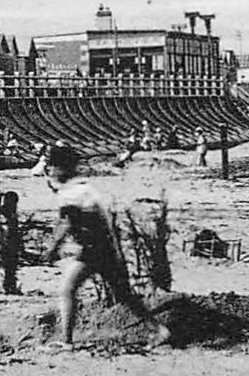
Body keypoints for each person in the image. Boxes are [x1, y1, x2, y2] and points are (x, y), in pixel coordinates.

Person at [44, 144, 169, 350]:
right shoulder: (84, 188)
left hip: (91, 250)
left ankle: (67, 340)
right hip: (105, 248)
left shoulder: (71, 193)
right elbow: (108, 222)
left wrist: (52, 248)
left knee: (67, 290)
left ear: (63, 168)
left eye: (53, 165)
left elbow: (66, 223)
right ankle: (157, 329)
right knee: (124, 295)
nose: (50, 170)